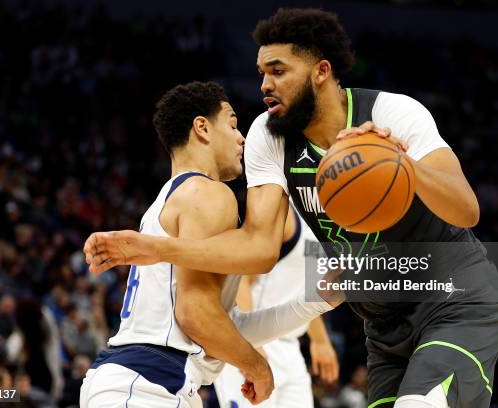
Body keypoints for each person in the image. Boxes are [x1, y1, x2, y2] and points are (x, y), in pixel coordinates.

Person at [84, 9, 498, 408]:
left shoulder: (393, 112)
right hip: (384, 326)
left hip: (453, 298)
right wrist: (159, 248)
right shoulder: (269, 137)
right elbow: (260, 247)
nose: (265, 85)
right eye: (262, 73)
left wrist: (400, 162)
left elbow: (466, 209)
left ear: (321, 72)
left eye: (278, 71)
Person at [80, 81, 334, 408]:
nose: (241, 137)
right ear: (202, 128)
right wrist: (255, 366)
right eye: (232, 124)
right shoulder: (208, 194)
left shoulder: (175, 197)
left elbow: (226, 321)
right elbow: (195, 312)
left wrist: (318, 301)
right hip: (149, 383)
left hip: (149, 381)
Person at [214, 205, 339, 408]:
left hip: (291, 346)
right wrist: (252, 346)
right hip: (255, 339)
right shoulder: (286, 212)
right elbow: (241, 278)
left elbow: (302, 289)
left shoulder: (329, 224)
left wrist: (320, 340)